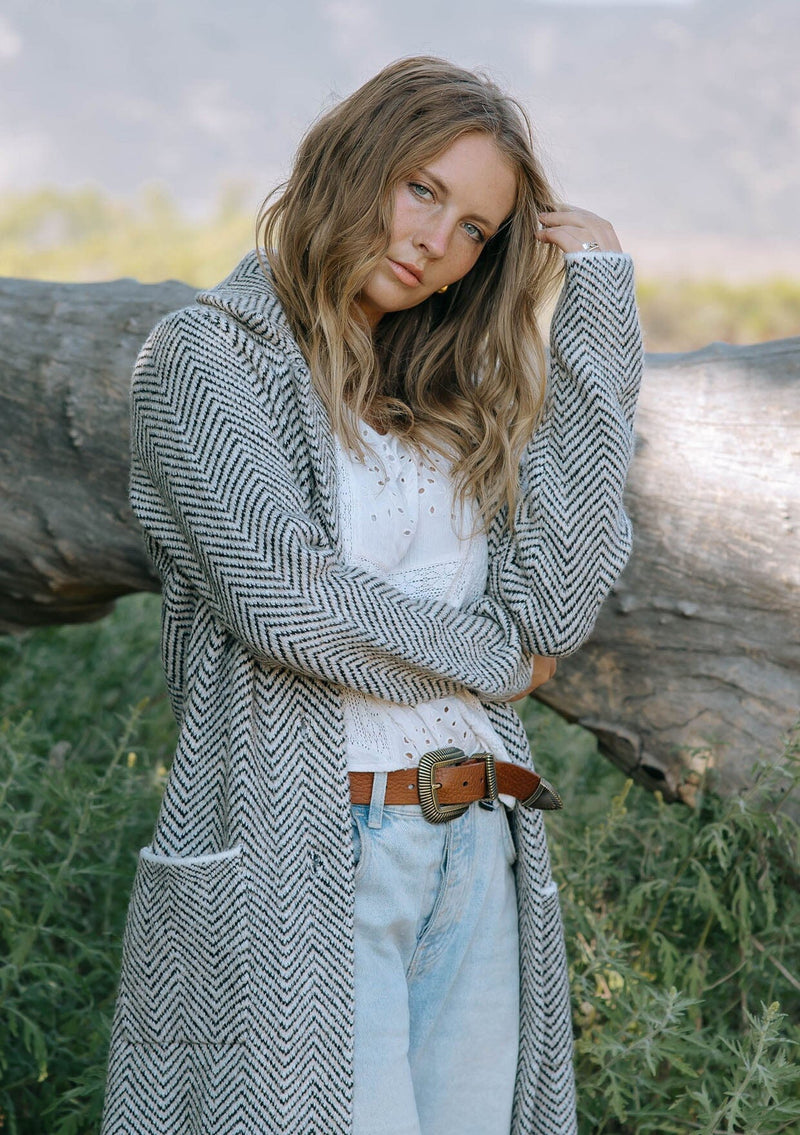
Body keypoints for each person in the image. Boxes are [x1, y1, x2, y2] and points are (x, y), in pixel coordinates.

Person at [101, 56, 642, 1135]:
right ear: (357, 164)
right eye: (422, 189)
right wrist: (493, 659)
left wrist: (598, 314)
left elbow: (556, 605)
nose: (437, 241)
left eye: (477, 230)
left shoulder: (450, 391)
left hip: (477, 835)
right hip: (313, 841)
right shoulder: (206, 360)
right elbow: (289, 606)